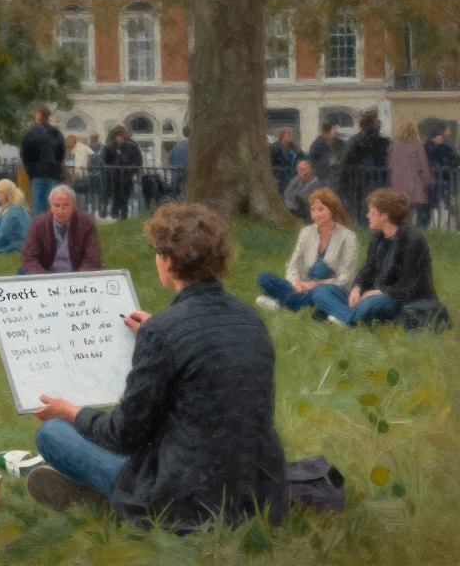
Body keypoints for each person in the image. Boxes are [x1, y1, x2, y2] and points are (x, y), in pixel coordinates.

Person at [28, 202, 288, 530]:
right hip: (258, 494)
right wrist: (158, 334)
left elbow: (122, 435)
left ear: (167, 260)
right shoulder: (251, 319)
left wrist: (72, 412)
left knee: (53, 433)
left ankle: (105, 496)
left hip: (186, 500)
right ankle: (97, 493)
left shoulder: (163, 332)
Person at [310, 188, 438, 326]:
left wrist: (378, 292)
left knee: (372, 304)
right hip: (371, 295)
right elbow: (367, 270)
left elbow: (409, 287)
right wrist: (357, 288)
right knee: (321, 291)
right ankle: (350, 316)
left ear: (385, 215)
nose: (367, 215)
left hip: (399, 300)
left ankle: (345, 318)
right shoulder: (378, 238)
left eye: (372, 211)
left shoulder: (412, 241)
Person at [256, 187, 358, 313]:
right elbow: (293, 266)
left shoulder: (347, 237)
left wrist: (315, 285)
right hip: (302, 288)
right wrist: (296, 283)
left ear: (332, 210)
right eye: (313, 210)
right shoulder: (306, 233)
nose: (316, 214)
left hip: (330, 289)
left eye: (321, 210)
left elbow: (345, 277)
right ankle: (296, 302)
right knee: (264, 278)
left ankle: (282, 304)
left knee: (320, 291)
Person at [20, 184, 103, 274]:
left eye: (66, 205)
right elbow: (29, 259)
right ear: (51, 207)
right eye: (57, 205)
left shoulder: (87, 224)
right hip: (46, 274)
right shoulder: (38, 224)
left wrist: (79, 277)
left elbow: (92, 259)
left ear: (73, 207)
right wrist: (45, 278)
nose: (61, 210)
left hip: (76, 275)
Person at [339, 110, 390, 224]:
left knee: (363, 206)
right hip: (375, 180)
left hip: (361, 181)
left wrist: (343, 181)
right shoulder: (383, 142)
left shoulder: (356, 140)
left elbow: (346, 162)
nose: (379, 123)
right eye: (376, 121)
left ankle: (365, 223)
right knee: (375, 204)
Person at [20, 104, 65, 216]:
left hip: (37, 173)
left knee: (38, 205)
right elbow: (61, 153)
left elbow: (25, 155)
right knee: (52, 203)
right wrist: (57, 167)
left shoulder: (30, 134)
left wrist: (30, 170)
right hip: (52, 172)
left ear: (36, 117)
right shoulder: (56, 133)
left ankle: (38, 229)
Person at [389, 120, 433, 227]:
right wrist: (428, 180)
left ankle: (404, 232)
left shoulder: (395, 144)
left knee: (403, 212)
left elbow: (391, 163)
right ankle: (419, 232)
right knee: (420, 211)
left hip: (398, 184)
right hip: (414, 183)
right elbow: (423, 165)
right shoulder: (416, 144)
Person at [101, 125, 143, 220]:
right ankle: (119, 214)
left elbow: (106, 160)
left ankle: (115, 214)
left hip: (118, 174)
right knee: (122, 196)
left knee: (119, 195)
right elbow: (138, 161)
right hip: (123, 174)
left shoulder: (125, 145)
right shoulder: (131, 144)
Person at [0, 179, 32, 254]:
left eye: (0, 192)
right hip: (1, 243)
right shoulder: (2, 209)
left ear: (7, 194)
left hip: (14, 246)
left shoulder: (15, 210)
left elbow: (5, 233)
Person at [425, 126, 458, 227]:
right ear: (433, 137)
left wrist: (449, 164)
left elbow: (455, 159)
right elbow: (428, 163)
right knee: (435, 204)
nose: (442, 137)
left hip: (445, 181)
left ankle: (444, 224)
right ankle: (435, 224)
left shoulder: (446, 147)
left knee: (445, 203)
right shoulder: (427, 148)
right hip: (434, 181)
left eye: (442, 135)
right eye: (439, 136)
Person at [308, 121, 346, 186]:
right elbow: (313, 159)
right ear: (327, 131)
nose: (335, 131)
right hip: (323, 175)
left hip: (335, 173)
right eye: (333, 129)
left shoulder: (337, 142)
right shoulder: (318, 144)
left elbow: (344, 153)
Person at [269, 127, 305, 194]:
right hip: (282, 176)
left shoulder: (292, 146)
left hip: (293, 174)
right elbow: (272, 162)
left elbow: (302, 155)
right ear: (283, 136)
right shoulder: (276, 147)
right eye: (288, 135)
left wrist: (293, 145)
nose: (290, 137)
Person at [167, 126, 190, 198]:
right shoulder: (193, 145)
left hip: (177, 171)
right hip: (187, 172)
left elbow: (170, 160)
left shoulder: (178, 146)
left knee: (178, 191)